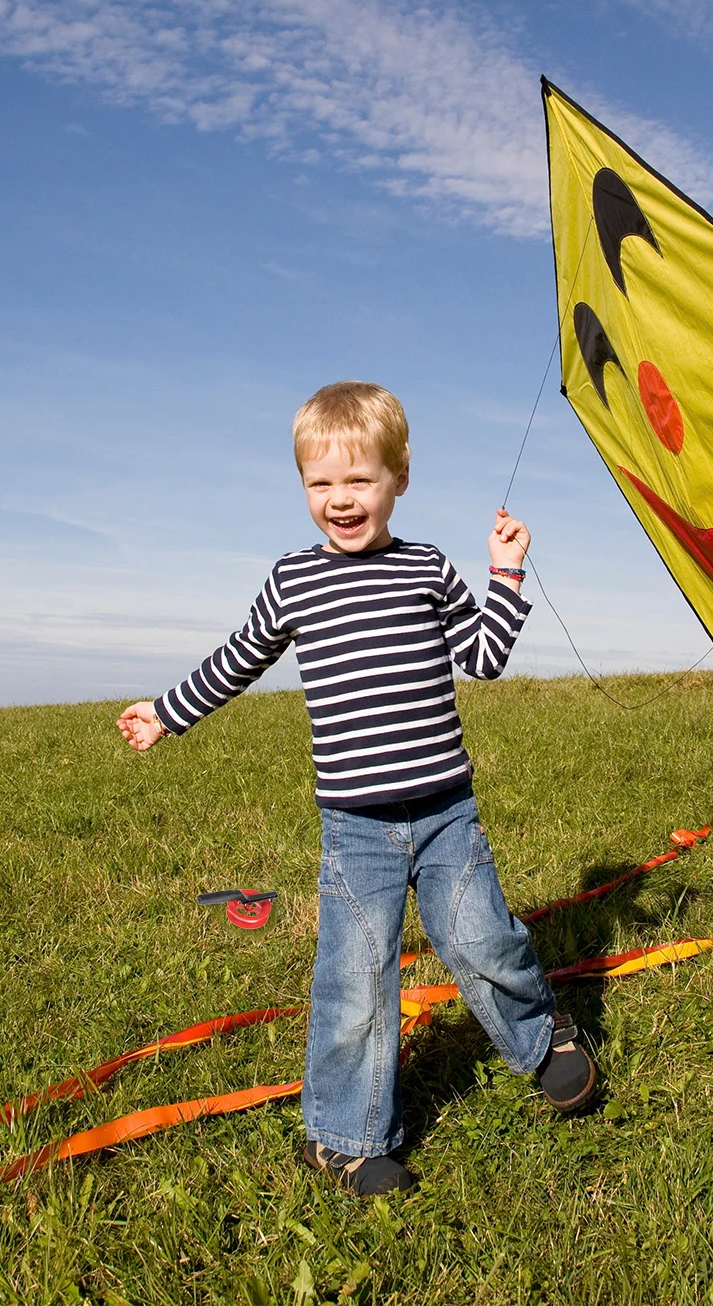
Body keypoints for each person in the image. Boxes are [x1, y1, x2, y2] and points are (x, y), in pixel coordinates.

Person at [118, 381, 596, 1194]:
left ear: (399, 478)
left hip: (446, 814)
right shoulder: (293, 581)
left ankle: (540, 1036)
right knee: (355, 982)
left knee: (483, 939)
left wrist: (506, 574)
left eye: (360, 480)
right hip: (356, 829)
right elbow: (238, 658)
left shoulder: (426, 567)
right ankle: (344, 1138)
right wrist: (168, 712)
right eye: (321, 483)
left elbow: (483, 657)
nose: (340, 499)